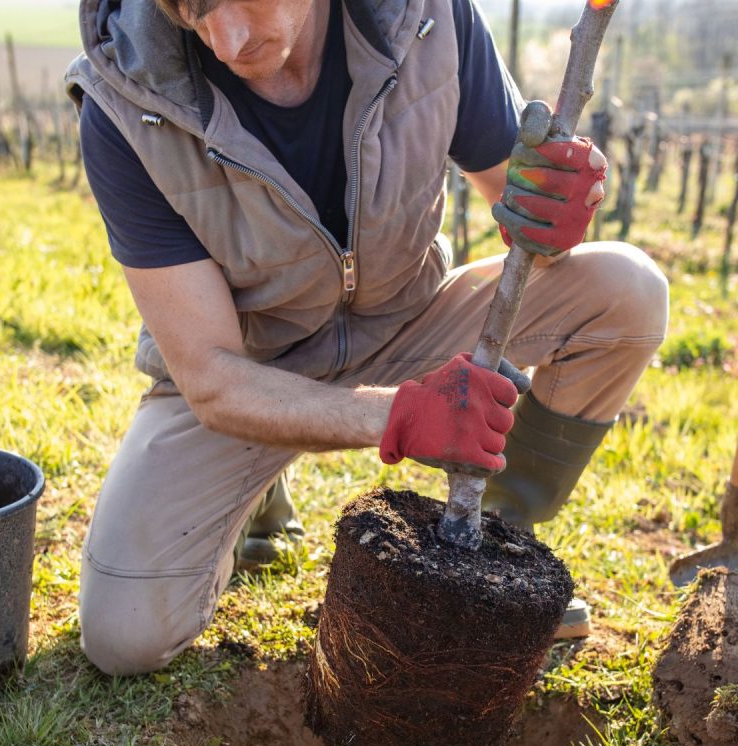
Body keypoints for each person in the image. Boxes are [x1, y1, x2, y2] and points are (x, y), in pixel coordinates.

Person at [66, 0, 668, 676]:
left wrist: (554, 207)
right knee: (125, 637)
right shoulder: (126, 104)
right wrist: (401, 415)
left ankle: (492, 554)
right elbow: (211, 375)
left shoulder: (425, 20)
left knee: (628, 290)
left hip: (410, 319)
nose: (226, 39)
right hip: (251, 371)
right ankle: (255, 490)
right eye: (193, 12)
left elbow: (525, 219)